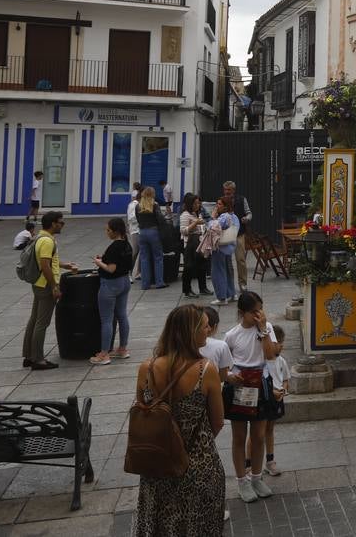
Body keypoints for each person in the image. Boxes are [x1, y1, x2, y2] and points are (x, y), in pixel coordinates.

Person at [133, 305, 225, 537]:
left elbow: (144, 412)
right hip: (199, 467)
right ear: (190, 332)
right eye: (204, 326)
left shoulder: (147, 369)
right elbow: (218, 421)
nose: (208, 329)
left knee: (160, 527)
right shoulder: (206, 370)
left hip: (157, 465)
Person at [224, 290, 279, 501]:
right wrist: (229, 376)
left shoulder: (267, 328)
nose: (258, 315)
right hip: (240, 385)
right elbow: (224, 364)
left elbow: (270, 354)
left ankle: (256, 477)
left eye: (260, 310)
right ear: (242, 313)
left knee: (258, 435)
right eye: (254, 312)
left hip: (261, 382)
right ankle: (242, 481)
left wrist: (263, 329)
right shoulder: (231, 335)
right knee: (239, 436)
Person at [23, 211, 77, 371]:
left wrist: (64, 265)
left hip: (38, 284)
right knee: (42, 322)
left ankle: (28, 355)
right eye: (61, 222)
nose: (62, 225)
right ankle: (38, 359)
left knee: (34, 319)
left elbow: (48, 260)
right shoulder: (47, 241)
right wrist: (54, 286)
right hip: (46, 285)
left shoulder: (40, 237)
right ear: (53, 223)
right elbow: (45, 265)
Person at [90, 217, 134, 365]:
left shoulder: (114, 247)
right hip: (124, 282)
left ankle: (104, 354)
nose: (106, 232)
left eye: (108, 230)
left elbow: (111, 268)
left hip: (110, 284)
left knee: (107, 319)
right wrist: (104, 259)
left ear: (115, 232)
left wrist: (98, 262)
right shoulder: (127, 245)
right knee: (122, 315)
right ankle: (122, 349)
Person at [262, 323, 290, 477]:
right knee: (257, 431)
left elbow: (286, 379)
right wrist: (272, 392)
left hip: (278, 399)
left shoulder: (282, 361)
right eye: (277, 343)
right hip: (265, 398)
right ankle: (249, 464)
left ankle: (270, 461)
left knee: (270, 429)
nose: (281, 346)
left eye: (281, 342)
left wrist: (283, 390)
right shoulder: (262, 362)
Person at [134, 186, 168, 290]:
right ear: (152, 194)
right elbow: (160, 219)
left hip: (142, 232)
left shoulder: (138, 206)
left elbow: (137, 219)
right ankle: (159, 282)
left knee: (144, 258)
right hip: (153, 232)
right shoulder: (155, 205)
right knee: (158, 257)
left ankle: (145, 284)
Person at [208, 198, 241, 304]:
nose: (217, 206)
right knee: (228, 271)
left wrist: (213, 217)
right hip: (229, 247)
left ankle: (221, 297)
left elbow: (213, 228)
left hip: (220, 247)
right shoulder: (234, 217)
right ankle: (231, 293)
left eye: (219, 204)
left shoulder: (223, 217)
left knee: (217, 271)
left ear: (226, 206)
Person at [223, 180, 254, 291]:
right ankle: (228, 284)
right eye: (225, 190)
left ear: (234, 190)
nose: (226, 192)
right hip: (225, 235)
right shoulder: (221, 201)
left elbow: (249, 213)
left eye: (229, 190)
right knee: (226, 261)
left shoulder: (241, 199)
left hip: (239, 234)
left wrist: (246, 219)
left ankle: (243, 284)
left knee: (240, 260)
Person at [179, 194, 209, 298]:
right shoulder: (185, 215)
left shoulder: (197, 214)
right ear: (190, 204)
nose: (198, 205)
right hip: (190, 244)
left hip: (199, 242)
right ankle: (187, 290)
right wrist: (195, 223)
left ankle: (203, 288)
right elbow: (183, 231)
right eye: (195, 203)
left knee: (202, 265)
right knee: (189, 267)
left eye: (198, 203)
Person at [126, 182, 143, 280]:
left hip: (141, 230)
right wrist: (142, 218)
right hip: (135, 230)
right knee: (135, 251)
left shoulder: (141, 204)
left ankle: (138, 272)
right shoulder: (133, 205)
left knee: (142, 251)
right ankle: (129, 272)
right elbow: (131, 218)